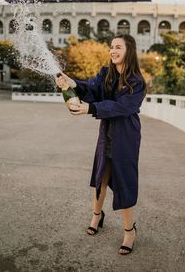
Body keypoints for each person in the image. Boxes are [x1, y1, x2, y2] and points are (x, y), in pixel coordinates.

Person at [56, 34, 146, 255]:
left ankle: (129, 230)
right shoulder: (106, 74)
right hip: (106, 133)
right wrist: (70, 82)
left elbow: (122, 107)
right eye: (111, 47)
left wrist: (91, 109)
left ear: (129, 51)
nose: (112, 51)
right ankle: (97, 215)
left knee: (124, 180)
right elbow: (91, 88)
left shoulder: (136, 81)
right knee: (101, 175)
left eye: (118, 47)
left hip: (126, 136)